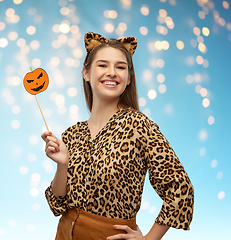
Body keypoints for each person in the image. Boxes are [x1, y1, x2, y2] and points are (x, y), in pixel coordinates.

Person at [41, 32, 194, 240]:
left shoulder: (139, 126)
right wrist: (63, 165)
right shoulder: (72, 134)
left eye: (120, 67)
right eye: (102, 65)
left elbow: (180, 188)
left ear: (129, 78)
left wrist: (149, 239)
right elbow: (57, 204)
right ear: (86, 73)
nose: (111, 72)